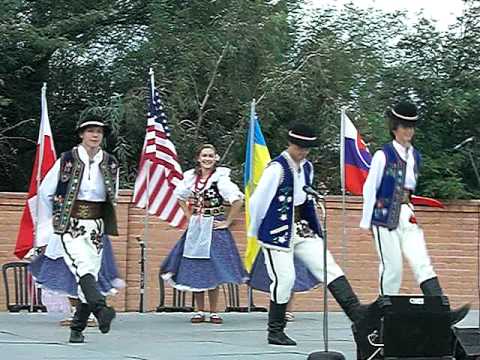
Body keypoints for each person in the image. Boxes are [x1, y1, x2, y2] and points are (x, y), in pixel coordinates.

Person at [249, 123, 368, 346]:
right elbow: (257, 202)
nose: (302, 151)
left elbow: (305, 197)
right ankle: (275, 330)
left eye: (307, 148)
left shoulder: (307, 168)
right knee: (285, 279)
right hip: (277, 232)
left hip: (302, 227)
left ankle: (358, 317)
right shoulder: (276, 168)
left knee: (328, 266)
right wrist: (256, 232)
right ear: (290, 144)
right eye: (299, 146)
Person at [360, 100, 470, 324]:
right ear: (395, 128)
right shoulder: (384, 154)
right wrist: (367, 221)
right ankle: (381, 317)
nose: (408, 131)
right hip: (384, 216)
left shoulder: (416, 156)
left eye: (411, 127)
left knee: (421, 261)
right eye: (403, 126)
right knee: (392, 268)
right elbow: (370, 187)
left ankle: (441, 313)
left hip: (406, 213)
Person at [37, 113, 119, 343]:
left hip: (96, 225)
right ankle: (102, 310)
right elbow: (45, 192)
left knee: (89, 274)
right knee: (82, 267)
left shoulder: (110, 162)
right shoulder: (67, 159)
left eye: (99, 131)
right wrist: (51, 224)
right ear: (82, 134)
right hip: (70, 224)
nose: (95, 135)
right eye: (90, 131)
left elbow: (112, 195)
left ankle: (77, 329)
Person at [161, 144, 248, 324]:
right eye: (204, 156)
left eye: (210, 155)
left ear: (215, 158)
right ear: (198, 158)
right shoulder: (191, 177)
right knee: (197, 267)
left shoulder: (220, 179)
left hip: (214, 227)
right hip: (197, 227)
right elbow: (180, 196)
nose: (207, 159)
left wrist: (228, 221)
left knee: (213, 268)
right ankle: (200, 310)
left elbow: (237, 200)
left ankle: (214, 311)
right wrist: (188, 214)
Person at [30, 234, 125, 326]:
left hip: (88, 236)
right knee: (68, 276)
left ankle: (90, 313)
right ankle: (77, 311)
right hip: (67, 236)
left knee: (90, 273)